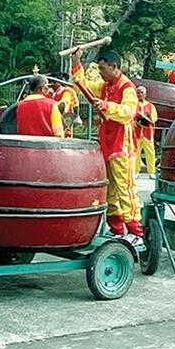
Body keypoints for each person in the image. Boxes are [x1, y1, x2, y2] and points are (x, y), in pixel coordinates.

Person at [70, 49, 142, 246]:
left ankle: (136, 232)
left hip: (122, 145)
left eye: (103, 69)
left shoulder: (127, 88)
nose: (100, 73)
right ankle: (116, 228)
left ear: (114, 66)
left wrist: (107, 106)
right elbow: (83, 86)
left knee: (125, 188)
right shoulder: (105, 86)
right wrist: (76, 62)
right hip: (107, 142)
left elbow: (128, 113)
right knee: (109, 189)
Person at [134, 86, 158, 178]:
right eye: (138, 93)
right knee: (136, 152)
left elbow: (154, 118)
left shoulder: (150, 106)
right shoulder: (134, 104)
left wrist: (148, 116)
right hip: (137, 131)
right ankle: (136, 171)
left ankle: (151, 172)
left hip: (147, 132)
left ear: (145, 94)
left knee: (150, 152)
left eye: (141, 93)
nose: (140, 94)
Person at [47, 73, 79, 137]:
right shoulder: (49, 91)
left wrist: (51, 106)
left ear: (60, 82)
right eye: (51, 82)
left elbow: (65, 103)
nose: (52, 84)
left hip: (65, 119)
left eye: (54, 82)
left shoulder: (67, 91)